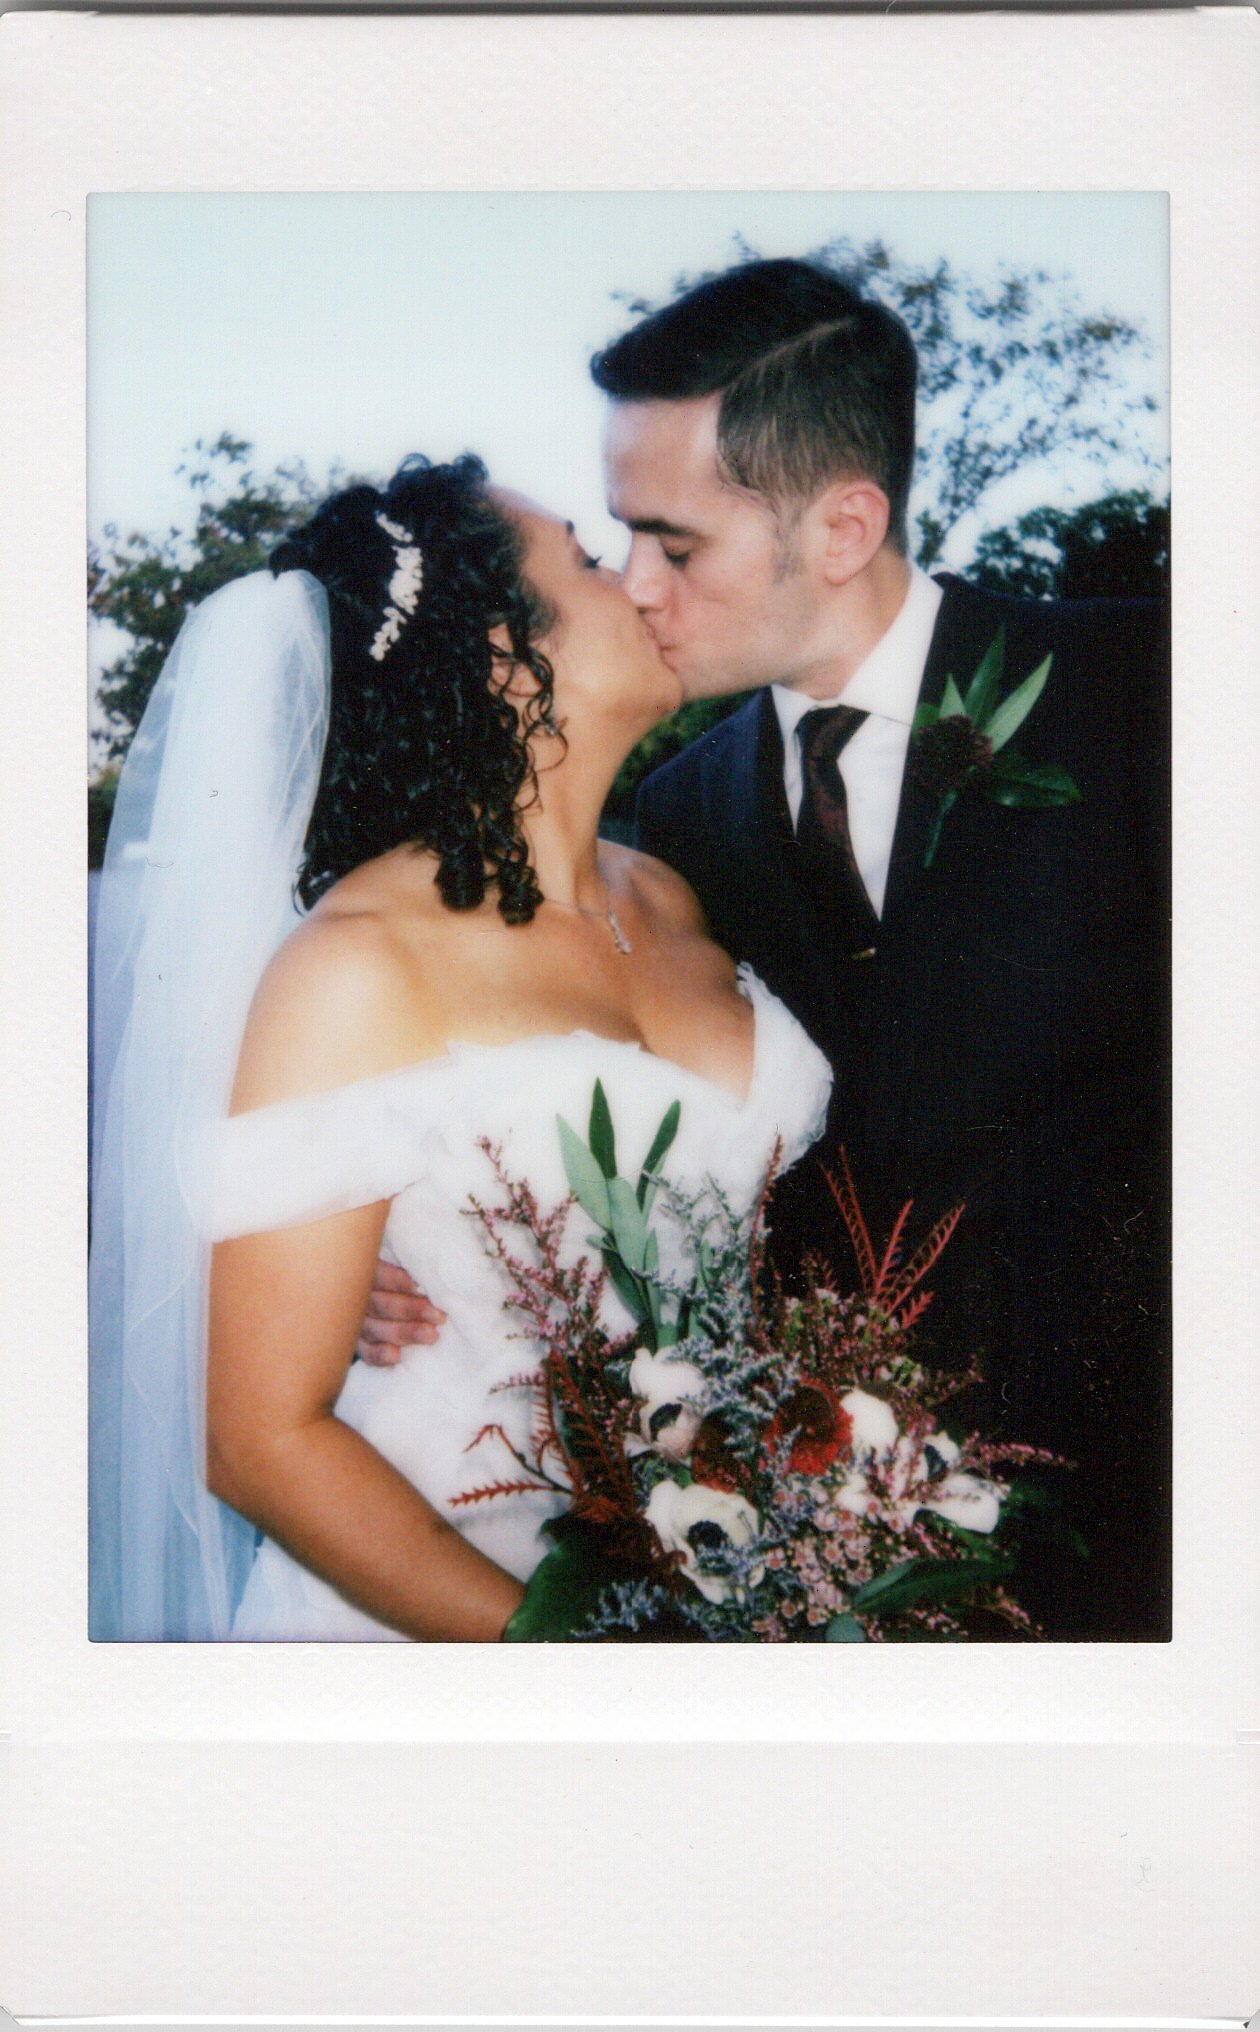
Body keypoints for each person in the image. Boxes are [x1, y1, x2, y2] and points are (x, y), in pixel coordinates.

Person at [366, 257, 1170, 1640]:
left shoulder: (1150, 693)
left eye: (676, 546)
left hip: (1163, 1550)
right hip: (831, 1578)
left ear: (845, 527)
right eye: (622, 539)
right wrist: (370, 1260)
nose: (638, 586)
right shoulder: (680, 817)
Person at [88, 454, 831, 1641]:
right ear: (502, 652)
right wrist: (584, 1666)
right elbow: (256, 1437)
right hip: (441, 1620)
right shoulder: (358, 965)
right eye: (590, 560)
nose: (643, 579)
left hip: (725, 1573)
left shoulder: (672, 894)